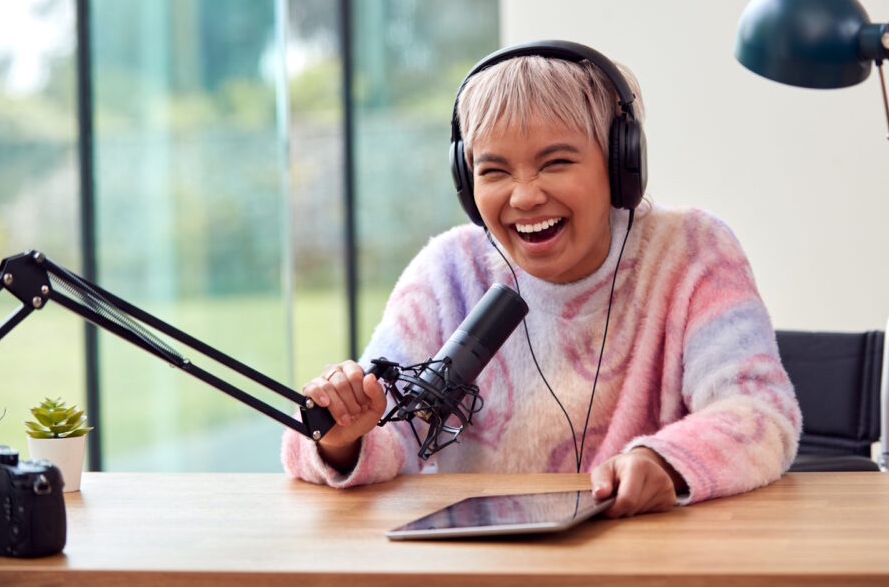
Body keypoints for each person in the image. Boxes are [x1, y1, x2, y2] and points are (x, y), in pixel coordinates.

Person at [282, 40, 802, 517]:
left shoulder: (692, 252)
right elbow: (387, 435)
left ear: (621, 166)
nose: (524, 196)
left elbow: (761, 411)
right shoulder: (449, 272)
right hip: (489, 570)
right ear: (467, 184)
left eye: (555, 163)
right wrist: (343, 438)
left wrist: (665, 461)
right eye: (494, 171)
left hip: (645, 562)